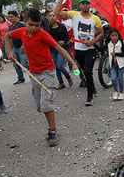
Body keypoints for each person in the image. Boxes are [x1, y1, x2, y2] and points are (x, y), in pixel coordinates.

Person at [4, 8, 79, 146]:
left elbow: (59, 48)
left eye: (37, 25)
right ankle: (51, 127)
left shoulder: (43, 34)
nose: (34, 28)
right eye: (31, 25)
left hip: (47, 72)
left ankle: (53, 131)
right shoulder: (21, 32)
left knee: (46, 104)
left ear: (40, 24)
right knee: (40, 106)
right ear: (25, 22)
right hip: (33, 74)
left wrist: (73, 63)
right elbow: (7, 36)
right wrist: (9, 52)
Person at [54, 0, 104, 106]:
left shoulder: (95, 19)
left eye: (87, 4)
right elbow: (57, 13)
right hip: (78, 50)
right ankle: (93, 88)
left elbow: (101, 34)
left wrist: (92, 41)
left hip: (90, 49)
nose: (85, 6)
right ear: (80, 5)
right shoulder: (74, 14)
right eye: (83, 4)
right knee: (84, 71)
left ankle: (89, 97)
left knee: (88, 71)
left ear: (90, 6)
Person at [44, 11, 73, 89]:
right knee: (56, 66)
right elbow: (45, 38)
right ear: (48, 17)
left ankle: (68, 77)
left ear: (56, 17)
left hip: (61, 48)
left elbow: (67, 36)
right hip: (52, 48)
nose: (52, 17)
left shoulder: (62, 26)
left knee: (60, 65)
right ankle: (61, 83)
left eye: (54, 15)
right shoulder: (46, 28)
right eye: (50, 16)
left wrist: (64, 41)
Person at [7, 11, 28, 84]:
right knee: (15, 63)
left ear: (16, 17)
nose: (10, 18)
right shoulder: (11, 27)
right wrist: (10, 49)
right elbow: (10, 38)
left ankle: (33, 75)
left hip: (22, 46)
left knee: (24, 63)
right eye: (9, 17)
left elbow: (26, 36)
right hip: (15, 47)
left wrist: (23, 45)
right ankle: (20, 78)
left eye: (12, 17)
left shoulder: (21, 25)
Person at [107, 28, 124, 100]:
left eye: (116, 35)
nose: (114, 37)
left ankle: (121, 93)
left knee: (120, 79)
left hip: (120, 65)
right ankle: (115, 91)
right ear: (110, 36)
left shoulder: (121, 44)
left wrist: (116, 54)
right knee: (113, 79)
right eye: (112, 35)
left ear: (118, 36)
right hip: (113, 65)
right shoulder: (109, 44)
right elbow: (101, 49)